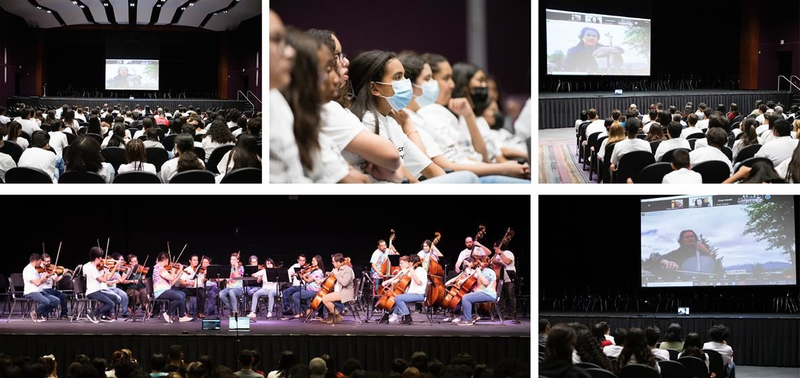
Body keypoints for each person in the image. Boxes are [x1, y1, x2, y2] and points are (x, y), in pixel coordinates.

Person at [377, 255, 427, 325]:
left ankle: (408, 318)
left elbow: (418, 282)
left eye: (410, 262)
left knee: (398, 298)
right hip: (411, 293)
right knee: (395, 298)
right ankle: (386, 316)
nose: (409, 264)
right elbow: (405, 277)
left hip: (418, 294)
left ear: (413, 262)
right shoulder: (414, 270)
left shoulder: (421, 270)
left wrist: (412, 271)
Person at [83, 247, 122, 323]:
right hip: (92, 292)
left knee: (116, 298)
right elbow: (104, 280)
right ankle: (92, 314)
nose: (102, 260)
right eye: (101, 258)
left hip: (98, 290)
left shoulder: (96, 267)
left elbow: (105, 279)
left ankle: (103, 315)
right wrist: (106, 271)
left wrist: (106, 271)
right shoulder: (91, 268)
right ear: (97, 258)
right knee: (111, 304)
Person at [458, 259, 502, 326]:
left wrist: (478, 272)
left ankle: (468, 320)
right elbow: (472, 277)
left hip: (489, 294)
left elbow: (485, 283)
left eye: (481, 262)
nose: (479, 264)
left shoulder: (488, 271)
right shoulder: (484, 271)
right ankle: (473, 316)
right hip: (485, 293)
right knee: (468, 295)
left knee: (466, 298)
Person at [152, 253, 192, 323]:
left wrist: (179, 272)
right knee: (179, 297)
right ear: (165, 259)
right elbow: (171, 278)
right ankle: (168, 313)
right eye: (168, 260)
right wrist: (173, 270)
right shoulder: (159, 268)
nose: (168, 262)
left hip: (165, 289)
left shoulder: (160, 268)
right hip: (160, 291)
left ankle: (182, 316)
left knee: (182, 294)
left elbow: (172, 283)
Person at [22, 253, 60, 322]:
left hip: (39, 290)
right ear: (35, 261)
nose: (41, 263)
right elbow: (37, 283)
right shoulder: (28, 270)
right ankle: (35, 313)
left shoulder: (36, 269)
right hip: (31, 292)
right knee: (46, 301)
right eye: (40, 261)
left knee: (56, 300)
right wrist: (43, 277)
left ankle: (40, 313)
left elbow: (41, 282)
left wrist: (47, 276)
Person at [320, 253, 354, 324]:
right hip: (338, 291)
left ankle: (337, 316)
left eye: (333, 262)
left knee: (325, 299)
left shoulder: (348, 270)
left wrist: (336, 274)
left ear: (338, 261)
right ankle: (331, 316)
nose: (332, 263)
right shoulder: (338, 269)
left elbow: (344, 283)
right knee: (322, 297)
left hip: (346, 293)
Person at [492, 240, 518, 323]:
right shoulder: (498, 255)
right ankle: (500, 313)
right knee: (501, 297)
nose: (493, 248)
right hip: (501, 278)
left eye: (495, 246)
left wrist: (500, 253)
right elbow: (492, 261)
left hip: (509, 278)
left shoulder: (508, 253)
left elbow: (507, 261)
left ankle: (512, 314)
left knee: (511, 296)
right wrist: (496, 258)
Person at [39, 253, 69, 320]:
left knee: (63, 296)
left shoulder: (51, 268)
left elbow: (56, 279)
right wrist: (48, 275)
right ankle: (43, 313)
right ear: (42, 261)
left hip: (50, 289)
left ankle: (64, 314)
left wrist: (63, 275)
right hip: (43, 290)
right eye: (46, 261)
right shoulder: (39, 270)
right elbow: (41, 282)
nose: (48, 263)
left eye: (49, 261)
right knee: (53, 300)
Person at [177, 254, 207, 319]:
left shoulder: (201, 269)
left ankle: (200, 312)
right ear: (190, 261)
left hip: (199, 288)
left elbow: (203, 280)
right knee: (181, 294)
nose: (196, 262)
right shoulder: (187, 270)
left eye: (197, 260)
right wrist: (188, 283)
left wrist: (205, 276)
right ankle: (185, 312)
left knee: (203, 293)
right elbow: (182, 281)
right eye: (194, 260)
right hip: (189, 288)